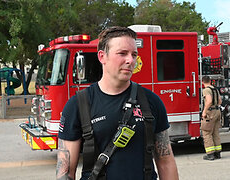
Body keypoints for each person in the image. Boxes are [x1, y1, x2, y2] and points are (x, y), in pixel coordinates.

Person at [56, 26, 179, 180]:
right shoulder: (78, 105)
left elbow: (165, 160)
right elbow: (65, 171)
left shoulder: (152, 101)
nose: (130, 60)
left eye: (134, 54)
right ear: (102, 57)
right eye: (122, 53)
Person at [201, 76, 222, 161]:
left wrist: (204, 111)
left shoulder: (206, 90)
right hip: (217, 111)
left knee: (207, 132)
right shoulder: (215, 89)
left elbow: (209, 101)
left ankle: (210, 155)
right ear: (210, 81)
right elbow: (220, 101)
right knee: (215, 132)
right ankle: (218, 153)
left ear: (202, 82)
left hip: (210, 112)